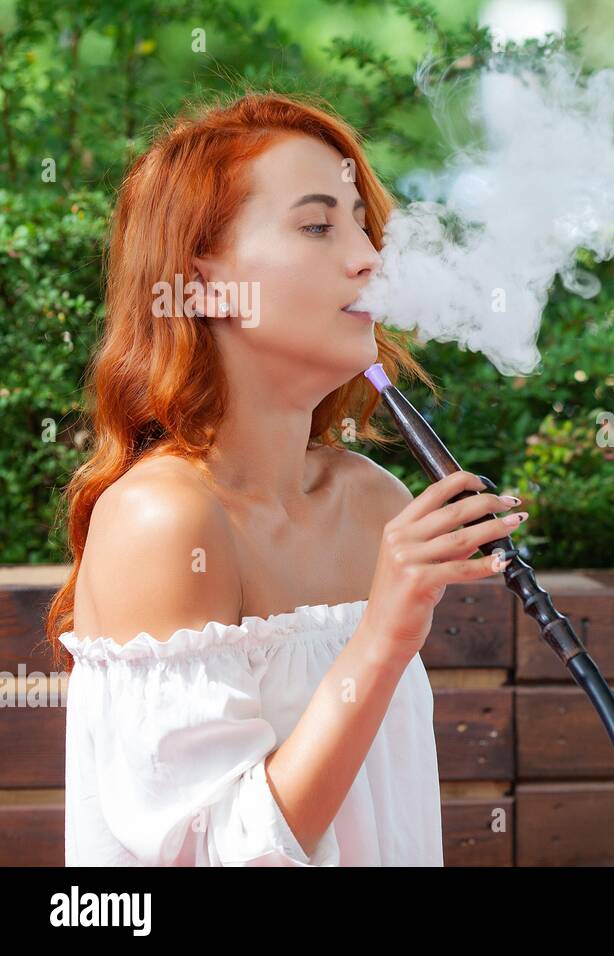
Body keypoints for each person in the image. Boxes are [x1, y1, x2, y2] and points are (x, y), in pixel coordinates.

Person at [43, 90, 527, 866]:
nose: (369, 257)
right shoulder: (164, 522)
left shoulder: (374, 501)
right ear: (200, 283)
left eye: (363, 226)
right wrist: (383, 635)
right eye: (316, 226)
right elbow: (219, 856)